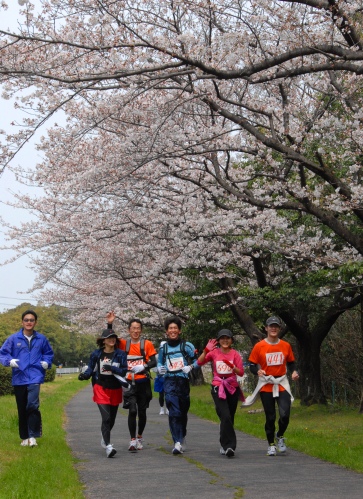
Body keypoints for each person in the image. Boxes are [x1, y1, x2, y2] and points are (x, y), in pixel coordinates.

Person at [243, 316, 299, 456]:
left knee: (285, 414)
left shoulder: (285, 345)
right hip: (266, 384)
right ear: (266, 328)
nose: (273, 328)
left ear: (279, 329)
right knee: (270, 416)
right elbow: (251, 365)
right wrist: (258, 371)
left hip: (281, 383)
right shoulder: (259, 346)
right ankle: (271, 444)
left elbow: (291, 362)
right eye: (271, 326)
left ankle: (279, 435)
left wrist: (294, 372)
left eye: (276, 326)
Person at [0, 309, 54, 447]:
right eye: (26, 320)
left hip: (35, 377)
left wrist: (47, 362)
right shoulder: (13, 339)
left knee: (32, 405)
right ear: (22, 322)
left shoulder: (41, 339)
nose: (29, 322)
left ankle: (33, 436)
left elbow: (48, 353)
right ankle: (24, 437)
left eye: (31, 320)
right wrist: (9, 361)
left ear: (35, 322)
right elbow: (3, 354)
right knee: (22, 407)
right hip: (19, 377)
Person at [106, 311, 157, 452]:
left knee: (142, 412)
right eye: (133, 328)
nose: (135, 331)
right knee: (132, 410)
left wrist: (144, 366)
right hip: (129, 383)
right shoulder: (123, 344)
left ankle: (140, 436)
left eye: (138, 328)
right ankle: (132, 440)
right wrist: (110, 323)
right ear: (129, 330)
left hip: (143, 382)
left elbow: (154, 361)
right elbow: (110, 338)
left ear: (141, 330)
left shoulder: (147, 344)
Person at [78, 328, 128, 458]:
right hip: (101, 387)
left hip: (115, 388)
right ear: (104, 340)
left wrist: (112, 368)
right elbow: (91, 368)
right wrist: (84, 375)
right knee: (105, 418)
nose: (112, 340)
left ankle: (104, 437)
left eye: (114, 338)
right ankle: (109, 446)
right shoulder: (97, 354)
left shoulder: (121, 354)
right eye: (109, 338)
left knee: (111, 419)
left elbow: (123, 371)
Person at [197, 329, 245, 458]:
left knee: (229, 417)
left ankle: (224, 443)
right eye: (222, 338)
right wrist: (206, 351)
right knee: (225, 415)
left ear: (231, 340)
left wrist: (232, 367)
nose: (225, 340)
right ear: (218, 341)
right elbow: (199, 362)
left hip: (232, 387)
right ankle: (230, 446)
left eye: (227, 338)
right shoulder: (214, 353)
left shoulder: (235, 354)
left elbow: (241, 372)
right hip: (218, 386)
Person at [157, 316, 198, 455]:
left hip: (183, 382)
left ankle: (182, 434)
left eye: (175, 328)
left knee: (183, 411)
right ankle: (177, 442)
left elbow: (197, 360)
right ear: (167, 331)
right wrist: (160, 368)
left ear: (179, 330)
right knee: (173, 412)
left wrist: (191, 367)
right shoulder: (164, 348)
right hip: (169, 381)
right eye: (170, 328)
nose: (173, 330)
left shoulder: (187, 346)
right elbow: (160, 362)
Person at [153, 341, 169, 415]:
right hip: (159, 377)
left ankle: (168, 408)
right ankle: (161, 407)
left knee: (168, 393)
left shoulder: (170, 355)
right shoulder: (156, 356)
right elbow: (153, 366)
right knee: (161, 394)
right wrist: (157, 370)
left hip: (168, 376)